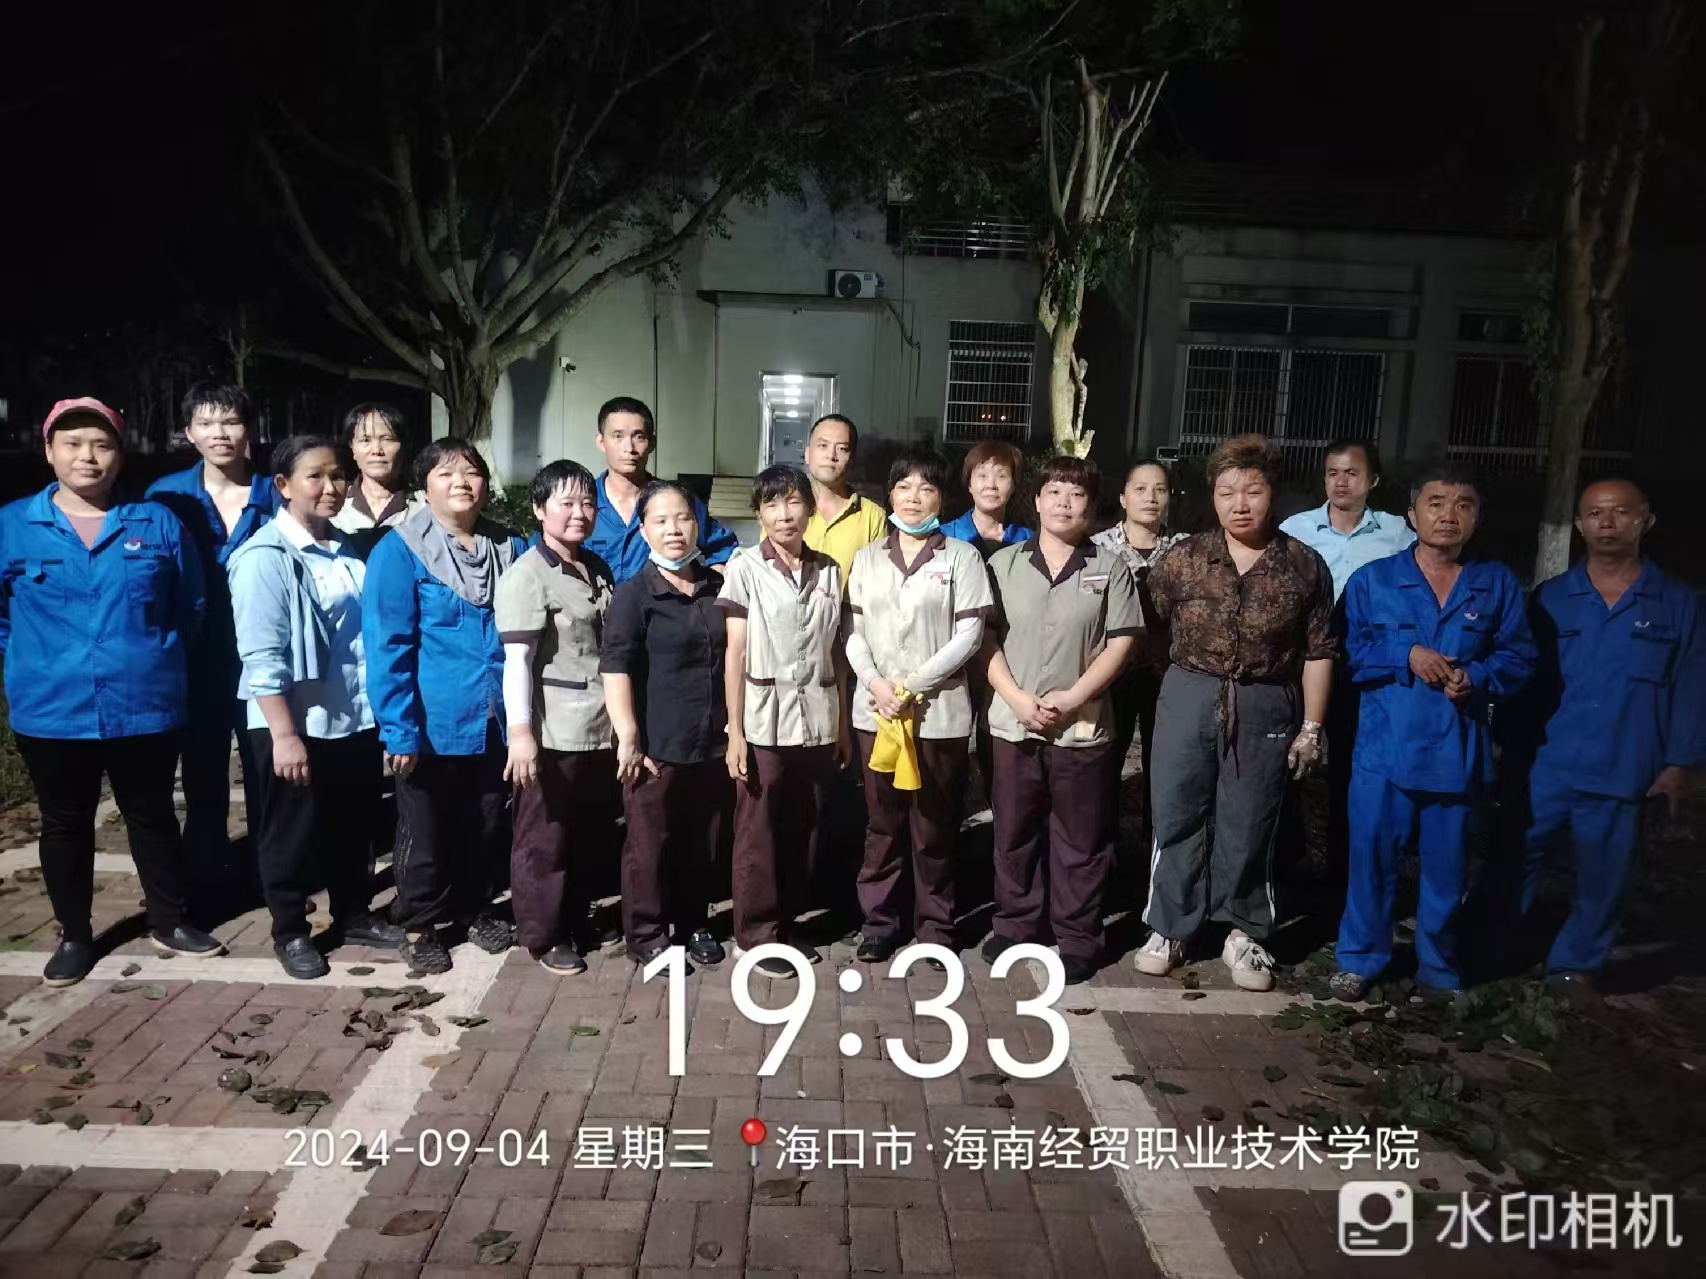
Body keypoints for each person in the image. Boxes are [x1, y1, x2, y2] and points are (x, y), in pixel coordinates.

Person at [0, 398, 222, 985]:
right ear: (49, 452)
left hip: (145, 703)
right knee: (64, 822)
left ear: (120, 455)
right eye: (72, 444)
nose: (87, 457)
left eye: (101, 445)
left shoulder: (157, 523)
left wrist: (149, 655)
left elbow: (191, 605)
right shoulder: (11, 525)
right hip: (51, 710)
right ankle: (75, 935)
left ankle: (169, 919)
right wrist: (34, 661)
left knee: (152, 815)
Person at [1137, 434, 1335, 991]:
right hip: (1189, 691)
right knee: (1176, 809)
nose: (1240, 504)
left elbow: (1320, 651)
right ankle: (1170, 925)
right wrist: (1179, 686)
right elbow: (1150, 628)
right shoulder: (1184, 558)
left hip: (1266, 698)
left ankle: (1245, 931)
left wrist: (1311, 728)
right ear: (1213, 497)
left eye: (1253, 491)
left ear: (1274, 493)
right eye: (1227, 492)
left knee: (1251, 816)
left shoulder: (1303, 565)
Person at [1329, 464, 1535, 999]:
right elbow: (1347, 652)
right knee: (1372, 862)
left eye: (1463, 505)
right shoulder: (1373, 581)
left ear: (1477, 517)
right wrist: (1406, 654)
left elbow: (1519, 658)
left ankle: (1439, 969)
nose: (1448, 515)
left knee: (1447, 871)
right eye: (1436, 503)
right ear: (1411, 515)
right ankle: (1360, 960)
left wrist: (1478, 677)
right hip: (1384, 753)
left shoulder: (1495, 584)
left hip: (1456, 751)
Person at [228, 436, 407, 980]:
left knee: (352, 824)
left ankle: (353, 913)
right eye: (315, 476)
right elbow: (260, 656)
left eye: (338, 476)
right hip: (293, 721)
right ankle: (290, 930)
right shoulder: (264, 558)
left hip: (351, 714)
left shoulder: (345, 546)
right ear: (282, 486)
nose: (331, 487)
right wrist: (285, 736)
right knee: (291, 832)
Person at [1516, 478, 1703, 994]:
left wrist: (1680, 764)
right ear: (1580, 525)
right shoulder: (1553, 598)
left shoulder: (1677, 604)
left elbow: (1692, 685)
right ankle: (1503, 945)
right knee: (1517, 857)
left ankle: (1575, 966)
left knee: (1605, 872)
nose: (1607, 522)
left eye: (1621, 512)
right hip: (1549, 762)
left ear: (1646, 521)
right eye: (1596, 513)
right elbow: (1527, 684)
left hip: (1626, 763)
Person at [363, 439, 527, 973]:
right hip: (432, 723)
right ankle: (419, 923)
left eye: (472, 472)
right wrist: (398, 730)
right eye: (446, 473)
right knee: (426, 831)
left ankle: (475, 907)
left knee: (486, 823)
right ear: (423, 487)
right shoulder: (399, 551)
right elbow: (387, 646)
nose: (461, 482)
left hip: (496, 720)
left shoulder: (510, 546)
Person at [982, 457, 1142, 984]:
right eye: (1054, 492)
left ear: (1091, 507)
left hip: (1083, 726)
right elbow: (984, 639)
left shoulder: (1110, 568)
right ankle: (1016, 924)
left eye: (1076, 495)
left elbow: (1121, 641)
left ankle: (1077, 936)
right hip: (1014, 723)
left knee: (1080, 838)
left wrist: (1073, 697)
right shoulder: (1004, 565)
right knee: (1013, 831)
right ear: (1037, 500)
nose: (1064, 503)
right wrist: (1016, 699)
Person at [845, 448, 993, 963]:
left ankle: (935, 927)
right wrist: (877, 684)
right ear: (889, 494)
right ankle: (880, 923)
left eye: (926, 488)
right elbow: (852, 631)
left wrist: (912, 685)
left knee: (933, 824)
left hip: (937, 713)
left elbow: (970, 633)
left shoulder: (962, 557)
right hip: (878, 712)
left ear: (941, 498)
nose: (914, 497)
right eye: (904, 487)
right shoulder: (867, 558)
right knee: (882, 824)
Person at [146, 382, 281, 916]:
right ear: (189, 432)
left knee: (268, 771)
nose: (219, 433)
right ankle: (205, 882)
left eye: (230, 422)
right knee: (202, 776)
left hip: (265, 656)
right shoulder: (166, 497)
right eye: (206, 423)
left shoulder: (277, 492)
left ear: (250, 429)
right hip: (196, 658)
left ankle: (269, 879)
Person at [718, 466, 849, 976]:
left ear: (810, 509)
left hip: (817, 718)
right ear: (759, 514)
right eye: (771, 504)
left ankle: (786, 923)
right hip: (764, 722)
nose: (784, 514)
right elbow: (735, 652)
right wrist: (735, 731)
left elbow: (836, 652)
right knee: (759, 830)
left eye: (793, 502)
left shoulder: (830, 570)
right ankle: (754, 936)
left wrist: (841, 726)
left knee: (803, 825)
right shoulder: (745, 567)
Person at [497, 460, 620, 975]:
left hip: (599, 726)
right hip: (553, 730)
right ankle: (544, 935)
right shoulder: (527, 574)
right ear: (538, 509)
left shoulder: (596, 566)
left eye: (588, 502)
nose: (579, 513)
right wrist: (520, 734)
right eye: (566, 503)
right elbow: (517, 661)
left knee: (586, 832)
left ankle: (575, 917)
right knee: (544, 837)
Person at [600, 482, 731, 968]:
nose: (674, 529)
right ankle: (647, 934)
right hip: (657, 746)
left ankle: (693, 922)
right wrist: (629, 738)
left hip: (711, 743)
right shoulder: (635, 594)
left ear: (697, 525)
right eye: (660, 521)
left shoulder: (717, 588)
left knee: (703, 841)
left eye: (683, 518)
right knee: (648, 846)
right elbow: (615, 667)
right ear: (644, 530)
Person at [1278, 441, 1416, 879]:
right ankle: (1284, 865)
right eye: (1333, 472)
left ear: (1372, 481)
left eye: (1352, 473)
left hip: (1365, 666)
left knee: (1352, 771)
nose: (1341, 481)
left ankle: (1344, 874)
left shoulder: (1398, 535)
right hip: (1301, 664)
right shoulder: (1295, 530)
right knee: (1286, 766)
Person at [1093, 459, 1189, 875]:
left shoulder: (1187, 549)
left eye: (1160, 490)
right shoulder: (1097, 548)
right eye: (1140, 489)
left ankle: (1157, 862)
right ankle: (1104, 857)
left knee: (1164, 770)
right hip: (1111, 675)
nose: (1150, 498)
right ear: (1122, 497)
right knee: (1103, 765)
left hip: (1169, 676)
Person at [584, 397, 739, 583]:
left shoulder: (677, 501)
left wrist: (709, 592)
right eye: (618, 436)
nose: (629, 448)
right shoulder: (583, 501)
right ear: (601, 442)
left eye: (639, 437)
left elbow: (723, 549)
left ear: (652, 443)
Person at [802, 414, 887, 581]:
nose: (831, 455)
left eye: (842, 448)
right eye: (823, 445)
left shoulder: (872, 516)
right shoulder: (784, 509)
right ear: (807, 454)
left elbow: (877, 581)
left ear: (852, 460)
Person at [330, 402, 422, 556]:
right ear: (352, 448)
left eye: (387, 439)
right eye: (365, 440)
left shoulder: (424, 506)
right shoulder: (335, 504)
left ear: (403, 446)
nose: (376, 450)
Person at [941, 440, 1033, 559]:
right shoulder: (945, 536)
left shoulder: (1028, 541)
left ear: (1014, 485)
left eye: (1001, 476)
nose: (991, 485)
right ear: (969, 484)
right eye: (982, 476)